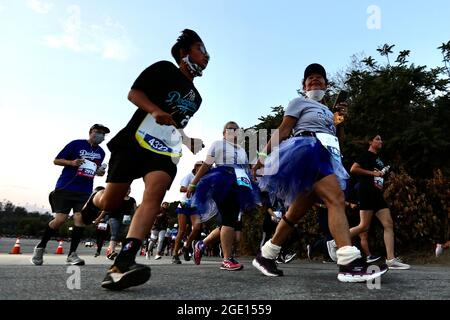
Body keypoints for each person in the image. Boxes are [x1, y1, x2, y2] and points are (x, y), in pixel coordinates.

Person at [80, 29, 209, 290]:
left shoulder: (197, 99)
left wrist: (187, 140)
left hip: (163, 150)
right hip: (134, 142)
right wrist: (155, 109)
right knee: (112, 201)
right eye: (201, 49)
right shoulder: (163, 68)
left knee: (155, 192)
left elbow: (174, 125)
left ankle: (123, 262)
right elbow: (134, 94)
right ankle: (96, 197)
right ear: (185, 53)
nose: (207, 56)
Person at [251, 63, 388, 282]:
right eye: (310, 78)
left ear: (326, 84)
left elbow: (337, 140)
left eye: (319, 78)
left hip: (327, 156)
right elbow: (284, 130)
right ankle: (348, 261)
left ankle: (266, 255)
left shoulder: (329, 112)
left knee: (295, 212)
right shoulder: (299, 102)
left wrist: (340, 122)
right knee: (336, 198)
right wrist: (262, 156)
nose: (315, 80)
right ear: (303, 85)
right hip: (306, 150)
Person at [31, 124, 109, 266]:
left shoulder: (101, 152)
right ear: (90, 132)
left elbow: (95, 170)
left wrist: (100, 172)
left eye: (103, 134)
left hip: (85, 190)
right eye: (98, 132)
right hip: (66, 186)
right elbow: (56, 160)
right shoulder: (76, 144)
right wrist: (72, 162)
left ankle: (72, 254)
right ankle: (41, 247)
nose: (100, 136)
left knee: (80, 219)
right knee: (60, 219)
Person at [188, 121, 259, 271]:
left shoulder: (242, 151)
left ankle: (202, 244)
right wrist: (194, 183)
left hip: (239, 183)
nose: (234, 131)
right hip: (221, 181)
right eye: (230, 128)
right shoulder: (218, 144)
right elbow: (207, 164)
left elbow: (246, 169)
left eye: (237, 129)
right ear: (224, 132)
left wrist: (253, 182)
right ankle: (226, 259)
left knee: (229, 221)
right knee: (228, 218)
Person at [342, 134, 410, 269]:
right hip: (366, 192)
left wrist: (383, 174)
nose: (381, 141)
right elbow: (353, 169)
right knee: (363, 226)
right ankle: (336, 241)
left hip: (377, 194)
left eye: (381, 139)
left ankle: (391, 260)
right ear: (370, 142)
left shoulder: (379, 158)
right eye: (377, 139)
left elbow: (380, 173)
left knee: (388, 223)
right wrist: (373, 174)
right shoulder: (366, 155)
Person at [172, 161, 203, 264]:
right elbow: (181, 189)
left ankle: (186, 245)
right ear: (196, 168)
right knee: (182, 230)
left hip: (195, 207)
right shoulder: (189, 176)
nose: (202, 169)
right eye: (200, 167)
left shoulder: (203, 179)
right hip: (184, 205)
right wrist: (192, 188)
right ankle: (175, 254)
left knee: (197, 228)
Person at [103, 187, 137, 260]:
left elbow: (135, 210)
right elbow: (108, 206)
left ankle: (109, 251)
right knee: (114, 234)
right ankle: (112, 252)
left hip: (126, 219)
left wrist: (135, 219)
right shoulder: (117, 197)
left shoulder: (132, 199)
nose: (128, 191)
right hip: (114, 217)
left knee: (121, 235)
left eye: (129, 189)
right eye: (127, 189)